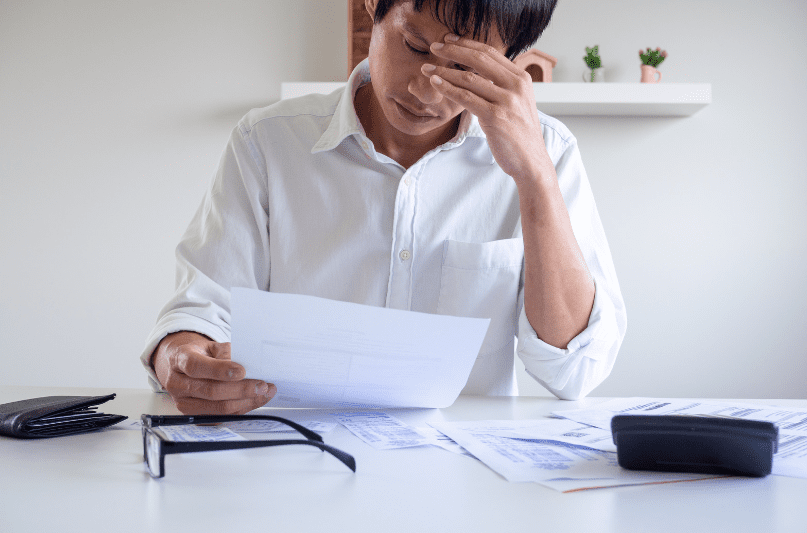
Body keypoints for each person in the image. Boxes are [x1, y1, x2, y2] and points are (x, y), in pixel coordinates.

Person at [140, 0, 627, 415]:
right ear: (375, 3)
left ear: (511, 62)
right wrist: (180, 354)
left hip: (466, 482)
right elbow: (203, 309)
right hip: (297, 462)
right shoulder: (268, 142)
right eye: (416, 46)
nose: (425, 90)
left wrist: (534, 178)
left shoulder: (548, 153)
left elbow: (575, 370)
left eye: (466, 69)